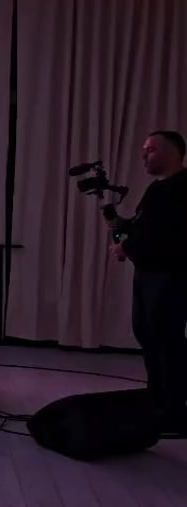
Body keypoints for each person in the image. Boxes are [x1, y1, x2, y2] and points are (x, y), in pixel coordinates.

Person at [107, 130, 187, 433]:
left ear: (173, 152)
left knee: (167, 340)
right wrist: (117, 222)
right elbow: (143, 226)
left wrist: (126, 248)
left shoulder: (183, 189)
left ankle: (174, 410)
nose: (144, 155)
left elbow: (169, 234)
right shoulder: (156, 189)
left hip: (170, 277)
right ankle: (157, 398)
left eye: (151, 149)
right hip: (147, 274)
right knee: (148, 335)